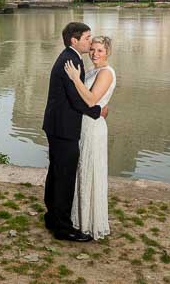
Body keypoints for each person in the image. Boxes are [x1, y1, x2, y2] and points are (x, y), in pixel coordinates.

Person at [42, 22, 108, 242]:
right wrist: (99, 111)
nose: (90, 43)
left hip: (57, 125)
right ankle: (62, 228)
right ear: (74, 40)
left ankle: (52, 216)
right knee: (64, 177)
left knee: (56, 173)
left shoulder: (70, 57)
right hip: (63, 128)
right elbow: (78, 100)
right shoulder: (70, 60)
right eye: (87, 38)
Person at [64, 36, 116, 240]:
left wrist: (75, 78)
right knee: (83, 171)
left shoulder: (106, 73)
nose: (95, 54)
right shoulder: (93, 71)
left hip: (93, 128)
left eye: (100, 51)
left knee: (90, 170)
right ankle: (80, 219)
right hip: (85, 125)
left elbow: (92, 99)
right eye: (93, 49)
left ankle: (90, 224)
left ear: (108, 52)